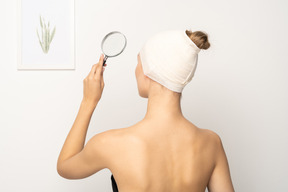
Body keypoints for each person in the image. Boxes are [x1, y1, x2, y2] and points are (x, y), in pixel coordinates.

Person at [57, 29, 235, 192]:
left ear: (148, 72)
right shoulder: (211, 143)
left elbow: (65, 166)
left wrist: (88, 102)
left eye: (138, 62)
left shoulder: (112, 143)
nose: (136, 70)